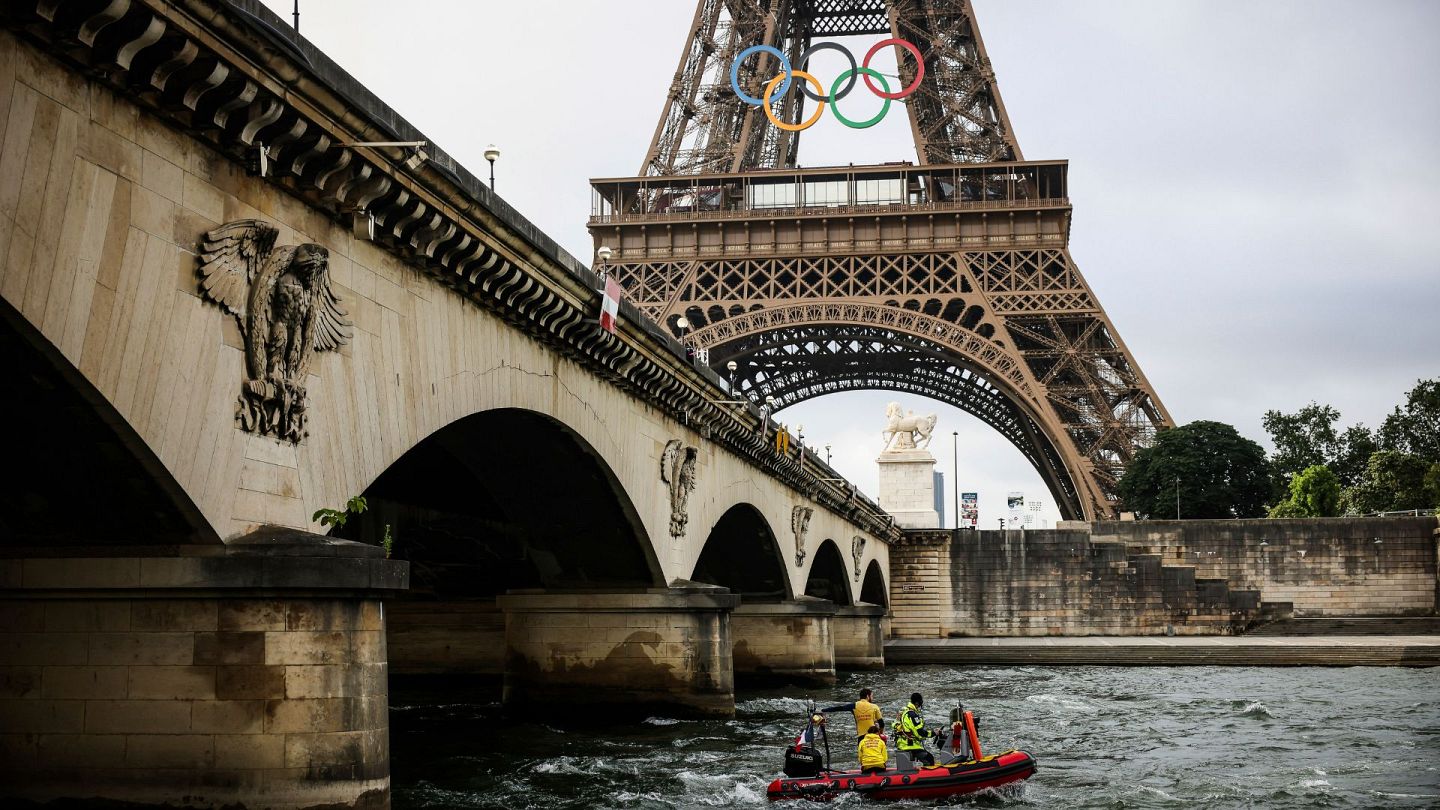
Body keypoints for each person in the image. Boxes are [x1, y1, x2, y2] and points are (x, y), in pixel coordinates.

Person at [893, 692, 943, 767]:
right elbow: (919, 733)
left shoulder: (903, 711)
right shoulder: (912, 715)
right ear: (917, 703)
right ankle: (928, 777)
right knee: (929, 759)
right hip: (910, 745)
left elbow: (894, 725)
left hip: (901, 743)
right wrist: (934, 733)